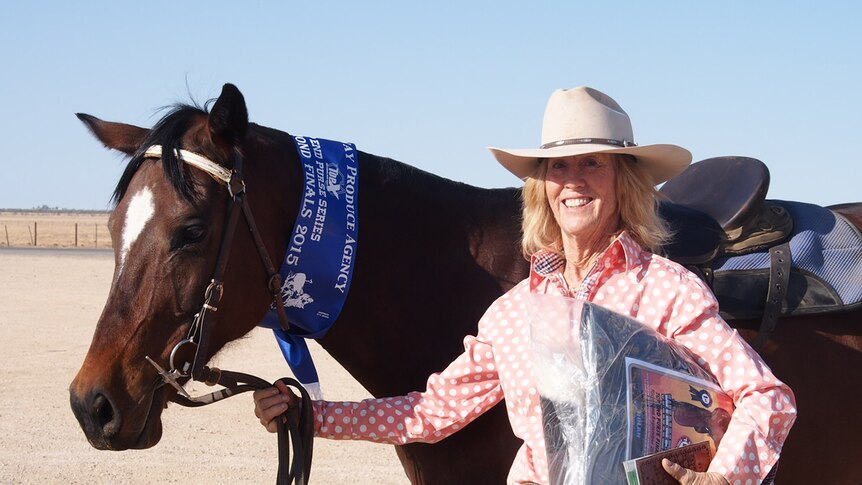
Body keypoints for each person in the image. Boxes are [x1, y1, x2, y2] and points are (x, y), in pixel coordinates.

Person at [254, 87, 797, 484]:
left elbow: (764, 395)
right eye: (558, 167)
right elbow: (430, 412)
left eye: (593, 164)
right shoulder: (514, 313)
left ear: (623, 181)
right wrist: (312, 416)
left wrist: (724, 480)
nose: (574, 181)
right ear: (542, 187)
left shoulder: (668, 290)